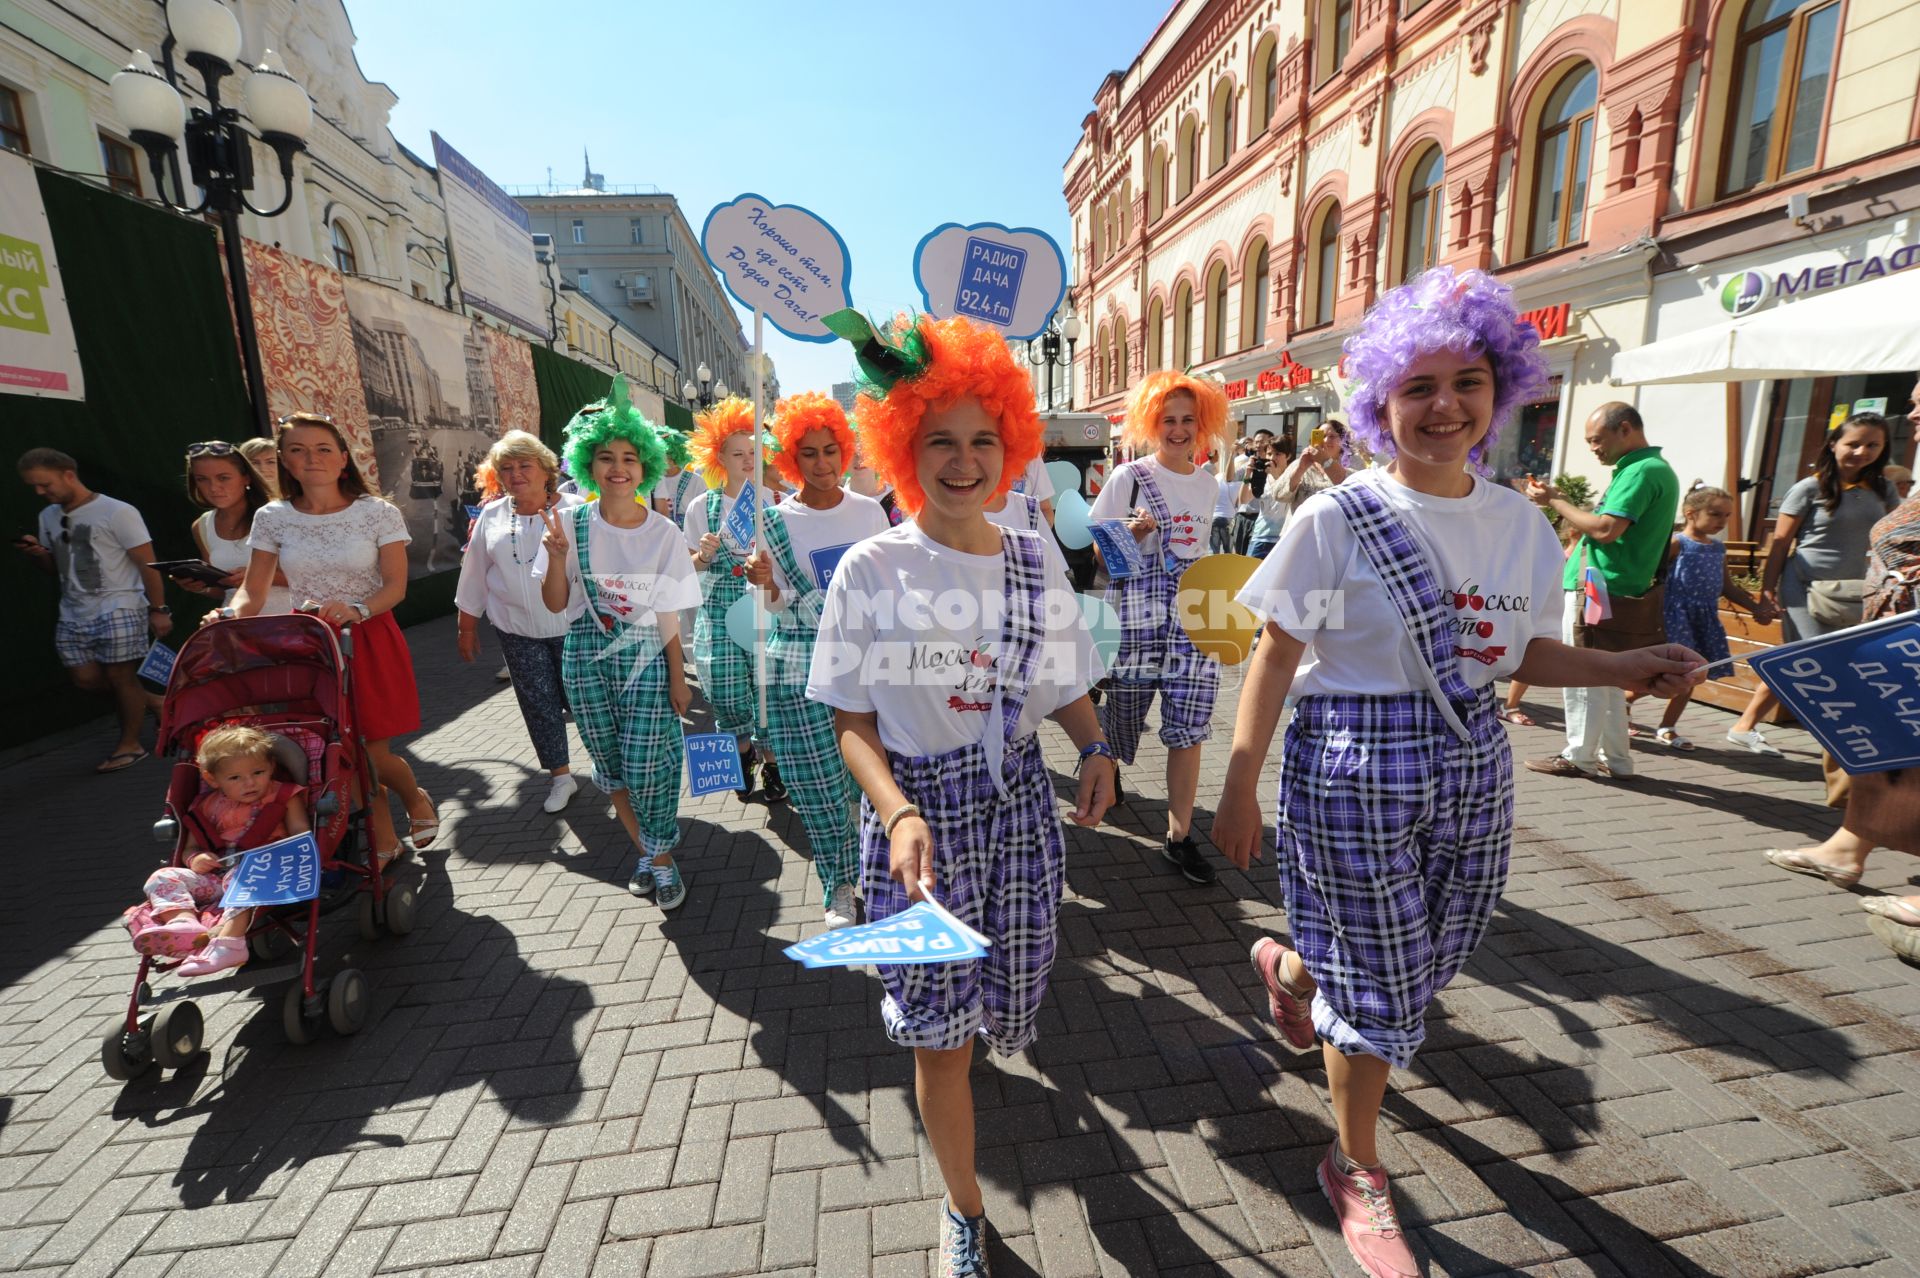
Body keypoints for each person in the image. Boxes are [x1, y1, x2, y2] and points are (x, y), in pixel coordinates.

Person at [1213, 267, 1705, 1278]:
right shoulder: (1335, 517)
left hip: (1473, 752)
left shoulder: (1520, 523)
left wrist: (1620, 664)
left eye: (1467, 383)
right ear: (1381, 402)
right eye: (1419, 387)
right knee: (1391, 990)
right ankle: (1355, 1168)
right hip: (1351, 757)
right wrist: (1237, 782)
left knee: (1431, 949)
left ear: (1499, 391)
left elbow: (1519, 655)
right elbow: (1272, 651)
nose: (1444, 407)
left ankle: (1294, 969)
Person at [809, 310, 1113, 1275]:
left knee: (1003, 1016)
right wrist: (896, 810)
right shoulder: (871, 566)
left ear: (1013, 445)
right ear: (903, 446)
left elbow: (1063, 683)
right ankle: (965, 1209)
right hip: (918, 831)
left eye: (985, 438)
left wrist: (1097, 745)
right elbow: (851, 718)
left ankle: (970, 1105)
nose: (964, 458)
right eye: (939, 438)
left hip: (1019, 814)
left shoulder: (1032, 559)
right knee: (940, 1040)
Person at [214, 413, 434, 866]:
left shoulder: (377, 512)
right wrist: (226, 615)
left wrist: (359, 609)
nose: (311, 458)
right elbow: (253, 592)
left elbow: (395, 586)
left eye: (322, 449)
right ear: (284, 461)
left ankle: (414, 796)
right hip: (311, 644)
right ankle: (385, 839)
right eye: (297, 450)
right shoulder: (272, 517)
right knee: (341, 752)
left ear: (342, 458)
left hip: (368, 635)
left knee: (372, 751)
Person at [537, 378, 701, 902]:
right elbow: (556, 604)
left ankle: (662, 859)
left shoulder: (664, 533)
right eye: (606, 456)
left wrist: (679, 675)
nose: (618, 467)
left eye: (630, 457)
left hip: (648, 656)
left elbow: (669, 612)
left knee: (651, 766)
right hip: (586, 657)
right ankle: (649, 853)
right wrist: (558, 558)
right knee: (612, 766)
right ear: (589, 463)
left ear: (645, 465)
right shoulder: (569, 522)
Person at [742, 391, 889, 928]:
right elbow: (777, 604)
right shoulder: (771, 521)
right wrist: (762, 585)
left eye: (831, 450)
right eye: (809, 453)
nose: (823, 463)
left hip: (870, 659)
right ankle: (840, 886)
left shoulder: (871, 512)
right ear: (790, 459)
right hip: (798, 663)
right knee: (817, 781)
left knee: (868, 778)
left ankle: (872, 867)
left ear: (845, 450)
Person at [1086, 370, 1231, 885]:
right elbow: (1100, 553)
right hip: (1139, 614)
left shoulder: (1209, 482)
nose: (1178, 429)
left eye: (1188, 419)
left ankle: (1178, 835)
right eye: (1168, 419)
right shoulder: (1129, 478)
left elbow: (1202, 551)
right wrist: (1130, 532)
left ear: (1203, 425)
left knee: (1189, 724)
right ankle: (1111, 764)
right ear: (1151, 423)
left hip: (1194, 614)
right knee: (1125, 715)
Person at [1522, 403, 1681, 780]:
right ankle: (1618, 759)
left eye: (1596, 440)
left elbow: (1606, 529)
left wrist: (1555, 501)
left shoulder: (1641, 470)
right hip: (1613, 586)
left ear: (1625, 429)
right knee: (1611, 675)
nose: (1593, 448)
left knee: (1584, 672)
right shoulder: (1650, 468)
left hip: (1597, 587)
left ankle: (1579, 755)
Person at [1726, 412, 1897, 754]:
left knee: (1799, 659)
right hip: (1802, 588)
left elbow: (1893, 537)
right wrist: (1767, 591)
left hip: (1852, 590)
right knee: (1816, 659)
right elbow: (1779, 544)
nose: (1862, 451)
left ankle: (1744, 725)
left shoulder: (1884, 489)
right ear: (1834, 444)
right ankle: (1838, 739)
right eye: (1853, 443)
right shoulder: (1809, 488)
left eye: (1872, 445)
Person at [14, 448, 172, 773]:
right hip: (74, 611)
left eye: (45, 484)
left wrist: (158, 609)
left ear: (68, 475)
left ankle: (130, 745)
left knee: (120, 676)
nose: (40, 492)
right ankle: (156, 702)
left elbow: (148, 564)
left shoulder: (117, 511)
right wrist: (36, 553)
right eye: (34, 487)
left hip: (120, 604)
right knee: (85, 680)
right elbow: (56, 568)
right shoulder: (48, 517)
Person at [454, 431, 585, 815]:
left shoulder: (577, 510)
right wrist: (466, 626)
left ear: (546, 470)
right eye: (506, 468)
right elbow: (474, 573)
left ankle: (610, 767)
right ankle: (561, 777)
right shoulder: (492, 516)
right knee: (538, 704)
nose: (515, 475)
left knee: (584, 702)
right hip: (515, 631)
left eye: (524, 465)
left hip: (573, 628)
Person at [139, 724, 311, 977]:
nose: (249, 783)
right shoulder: (207, 806)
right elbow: (190, 849)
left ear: (272, 766)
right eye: (235, 778)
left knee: (244, 879)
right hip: (217, 878)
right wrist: (196, 859)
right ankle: (183, 923)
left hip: (267, 875)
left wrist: (288, 853)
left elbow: (301, 833)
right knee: (161, 876)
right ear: (212, 779)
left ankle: (230, 944)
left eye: (258, 772)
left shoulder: (283, 795)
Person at [685, 398, 786, 801]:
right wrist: (704, 554)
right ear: (719, 459)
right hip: (718, 612)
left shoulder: (774, 501)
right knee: (726, 692)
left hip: (764, 609)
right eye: (738, 453)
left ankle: (774, 765)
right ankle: (742, 756)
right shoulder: (700, 506)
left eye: (753, 453)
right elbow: (689, 565)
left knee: (768, 689)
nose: (747, 460)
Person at [1625, 485, 1774, 749]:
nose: (1722, 521)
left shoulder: (1718, 549)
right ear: (1691, 513)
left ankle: (1668, 726)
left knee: (1694, 672)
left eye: (1727, 516)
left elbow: (1726, 586)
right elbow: (1650, 575)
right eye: (1716, 514)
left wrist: (1756, 608)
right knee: (1663, 672)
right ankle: (1625, 700)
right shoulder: (1676, 543)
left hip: (1703, 620)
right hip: (1675, 617)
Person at [172, 441, 292, 615]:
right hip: (238, 626)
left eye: (223, 478)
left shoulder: (280, 515)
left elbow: (320, 579)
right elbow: (223, 590)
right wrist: (199, 587)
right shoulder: (202, 526)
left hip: (290, 624)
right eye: (202, 479)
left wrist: (259, 577)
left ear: (246, 478)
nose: (213, 488)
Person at [1244, 444, 1299, 559]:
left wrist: (1275, 475)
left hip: (1282, 538)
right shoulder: (1263, 476)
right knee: (1252, 575)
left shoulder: (1293, 477)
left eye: (1277, 454)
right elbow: (1243, 499)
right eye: (1269, 454)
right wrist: (1248, 474)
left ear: (1288, 456)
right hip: (1260, 537)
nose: (1272, 458)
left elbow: (1288, 496)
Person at [1230, 430, 1273, 554]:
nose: (1259, 445)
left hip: (1262, 521)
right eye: (1257, 442)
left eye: (1262, 442)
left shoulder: (1275, 468)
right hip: (1243, 517)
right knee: (1239, 559)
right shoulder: (1251, 464)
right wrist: (1231, 454)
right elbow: (1229, 477)